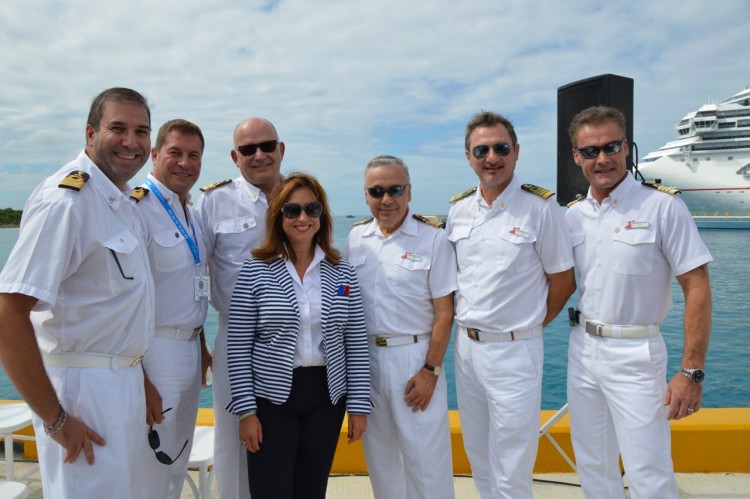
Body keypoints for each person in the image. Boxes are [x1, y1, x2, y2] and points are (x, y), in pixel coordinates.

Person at [0, 87, 155, 498]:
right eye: (117, 128)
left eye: (141, 132)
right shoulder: (66, 202)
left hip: (122, 383)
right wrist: (55, 420)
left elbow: (116, 311)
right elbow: (8, 313)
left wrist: (141, 377)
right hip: (82, 391)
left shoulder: (120, 203)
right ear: (90, 133)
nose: (131, 142)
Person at [565, 106, 713, 499]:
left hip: (636, 354)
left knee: (648, 469)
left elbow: (696, 285)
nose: (602, 159)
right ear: (577, 157)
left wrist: (692, 371)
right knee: (593, 463)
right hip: (582, 350)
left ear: (627, 147)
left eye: (611, 146)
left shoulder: (663, 206)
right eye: (590, 150)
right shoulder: (573, 216)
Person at [445, 111, 576, 498]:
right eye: (481, 150)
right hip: (466, 350)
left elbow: (564, 281)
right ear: (468, 156)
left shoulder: (541, 208)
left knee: (513, 462)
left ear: (516, 151)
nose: (492, 157)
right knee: (478, 455)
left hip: (516, 351)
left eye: (501, 148)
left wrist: (530, 325)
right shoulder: (459, 210)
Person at [226, 172, 370, 499]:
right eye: (292, 210)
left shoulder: (342, 271)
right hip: (271, 400)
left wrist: (359, 405)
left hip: (326, 398)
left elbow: (355, 343)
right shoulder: (255, 270)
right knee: (270, 490)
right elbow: (238, 347)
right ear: (279, 216)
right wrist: (246, 412)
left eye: (312, 209)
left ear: (322, 215)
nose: (303, 218)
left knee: (312, 489)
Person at [343, 155, 457, 499]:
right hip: (368, 363)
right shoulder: (356, 239)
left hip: (414, 360)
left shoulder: (433, 239)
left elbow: (444, 312)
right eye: (376, 191)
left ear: (409, 192)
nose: (386, 199)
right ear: (365, 196)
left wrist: (430, 370)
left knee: (427, 463)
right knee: (382, 463)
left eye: (395, 189)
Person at [194, 116, 284, 498]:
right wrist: (199, 342)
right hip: (236, 339)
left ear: (281, 150)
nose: (259, 155)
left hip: (293, 339)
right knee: (232, 444)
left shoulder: (301, 196)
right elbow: (192, 278)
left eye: (267, 146)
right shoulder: (214, 201)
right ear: (235, 156)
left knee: (285, 440)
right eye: (248, 149)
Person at [132, 119, 212, 499]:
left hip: (189, 349)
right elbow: (128, 302)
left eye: (193, 155)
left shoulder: (190, 213)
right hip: (154, 353)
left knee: (177, 458)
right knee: (149, 464)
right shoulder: (137, 207)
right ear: (154, 154)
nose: (185, 163)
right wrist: (141, 379)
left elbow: (190, 290)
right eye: (175, 153)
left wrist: (202, 347)